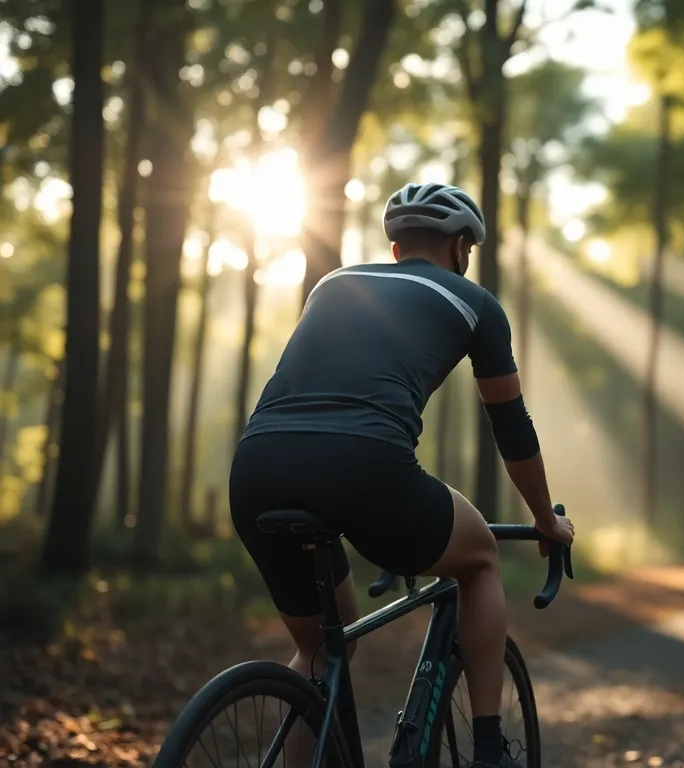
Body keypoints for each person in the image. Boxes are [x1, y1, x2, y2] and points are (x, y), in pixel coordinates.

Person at [229, 182, 574, 768]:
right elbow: (512, 430)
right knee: (480, 557)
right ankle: (490, 749)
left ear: (393, 249)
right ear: (462, 246)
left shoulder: (332, 284)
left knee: (321, 648)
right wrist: (546, 521)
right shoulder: (475, 302)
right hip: (367, 465)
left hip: (258, 464)